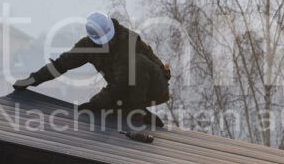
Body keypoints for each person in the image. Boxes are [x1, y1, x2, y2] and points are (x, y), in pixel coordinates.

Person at [13, 11, 171, 123]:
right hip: (128, 88)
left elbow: (120, 85)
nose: (108, 43)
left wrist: (94, 103)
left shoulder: (126, 41)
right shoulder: (87, 46)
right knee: (106, 110)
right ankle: (134, 112)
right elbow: (61, 64)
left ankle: (136, 111)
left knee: (138, 62)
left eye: (110, 39)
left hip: (156, 86)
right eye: (103, 42)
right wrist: (33, 79)